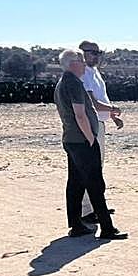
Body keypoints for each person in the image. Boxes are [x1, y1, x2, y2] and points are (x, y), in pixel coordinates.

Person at [52, 49, 127, 240]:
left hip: (71, 139)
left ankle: (76, 224)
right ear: (72, 63)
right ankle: (107, 228)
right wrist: (91, 139)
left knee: (76, 183)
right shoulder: (73, 83)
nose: (84, 63)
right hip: (82, 141)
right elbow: (80, 115)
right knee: (95, 184)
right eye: (81, 60)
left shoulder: (64, 82)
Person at [77, 40, 123, 222]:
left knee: (97, 167)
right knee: (90, 167)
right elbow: (92, 102)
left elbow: (100, 98)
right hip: (91, 123)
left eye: (99, 53)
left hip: (99, 122)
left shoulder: (94, 72)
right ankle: (86, 210)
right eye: (93, 52)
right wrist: (112, 109)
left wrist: (111, 115)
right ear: (82, 53)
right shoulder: (84, 73)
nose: (97, 56)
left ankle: (96, 205)